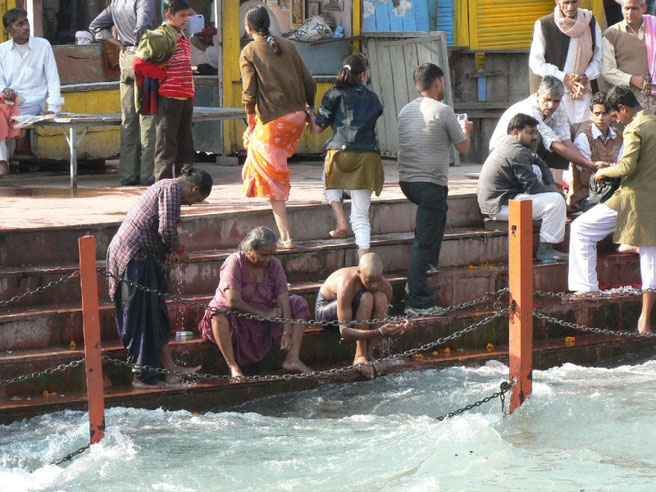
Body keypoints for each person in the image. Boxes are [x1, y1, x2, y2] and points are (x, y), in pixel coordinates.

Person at [106, 166, 213, 387]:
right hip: (134, 258)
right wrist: (178, 250)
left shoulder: (167, 187)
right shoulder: (172, 189)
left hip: (144, 258)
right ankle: (142, 377)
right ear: (195, 188)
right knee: (142, 317)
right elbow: (166, 229)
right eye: (195, 199)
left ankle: (169, 368)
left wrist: (169, 251)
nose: (191, 204)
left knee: (156, 315)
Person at [568, 86, 656, 334]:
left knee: (581, 228)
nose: (616, 120)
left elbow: (627, 166)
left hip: (631, 198)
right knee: (650, 258)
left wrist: (603, 172)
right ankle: (644, 322)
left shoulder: (635, 128)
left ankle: (587, 288)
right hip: (653, 201)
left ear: (623, 109)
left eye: (616, 115)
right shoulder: (653, 122)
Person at [396, 63, 472, 315]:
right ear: (438, 81)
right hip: (429, 184)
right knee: (423, 239)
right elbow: (463, 148)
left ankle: (429, 262)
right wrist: (465, 131)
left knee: (439, 211)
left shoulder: (406, 110)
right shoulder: (444, 110)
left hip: (408, 182)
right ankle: (416, 301)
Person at [240, 5, 316, 249]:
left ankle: (286, 237)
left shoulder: (249, 51)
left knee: (274, 179)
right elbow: (310, 83)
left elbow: (249, 94)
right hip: (296, 118)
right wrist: (309, 111)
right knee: (258, 152)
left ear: (248, 28)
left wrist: (250, 120)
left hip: (275, 120)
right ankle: (262, 190)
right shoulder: (289, 45)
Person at [198, 226, 311, 379]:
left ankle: (292, 358)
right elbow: (232, 301)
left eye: (272, 254)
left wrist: (286, 332)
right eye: (263, 255)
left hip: (264, 322)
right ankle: (233, 366)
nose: (268, 259)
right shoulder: (234, 262)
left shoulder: (274, 265)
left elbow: (283, 299)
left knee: (298, 303)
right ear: (249, 249)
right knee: (217, 311)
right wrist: (263, 314)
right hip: (237, 319)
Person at [311, 54, 384, 259]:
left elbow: (317, 128)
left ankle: (341, 221)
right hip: (368, 157)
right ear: (363, 75)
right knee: (361, 217)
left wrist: (308, 114)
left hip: (340, 153)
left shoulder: (333, 94)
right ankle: (365, 266)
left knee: (328, 182)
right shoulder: (372, 97)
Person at [478, 113, 569, 262]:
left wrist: (551, 183)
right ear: (516, 132)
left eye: (535, 132)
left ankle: (546, 221)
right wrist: (555, 192)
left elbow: (538, 160)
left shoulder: (509, 144)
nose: (534, 137)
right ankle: (546, 251)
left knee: (537, 170)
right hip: (500, 206)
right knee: (556, 201)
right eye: (530, 132)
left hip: (503, 201)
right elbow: (533, 188)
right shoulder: (516, 152)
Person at [490, 76, 609, 186]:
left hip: (530, 153)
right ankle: (529, 180)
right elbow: (554, 144)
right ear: (538, 95)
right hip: (502, 153)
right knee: (537, 138)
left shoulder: (560, 106)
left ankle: (554, 184)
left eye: (556, 101)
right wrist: (589, 164)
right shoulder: (530, 110)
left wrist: (588, 164)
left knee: (567, 136)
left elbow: (566, 141)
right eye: (547, 99)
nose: (551, 105)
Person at [90, 0, 158, 186]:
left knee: (128, 120)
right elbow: (143, 26)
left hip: (126, 60)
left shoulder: (116, 3)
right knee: (147, 118)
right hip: (144, 58)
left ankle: (128, 175)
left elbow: (95, 27)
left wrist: (119, 45)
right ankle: (147, 175)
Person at [314, 253, 410, 378]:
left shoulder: (385, 286)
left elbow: (382, 318)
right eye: (370, 282)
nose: (374, 285)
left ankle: (369, 354)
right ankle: (360, 354)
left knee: (380, 297)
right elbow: (344, 331)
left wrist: (401, 327)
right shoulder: (347, 284)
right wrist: (379, 332)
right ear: (359, 273)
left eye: (378, 280)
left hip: (357, 311)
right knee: (366, 297)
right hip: (326, 311)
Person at [0, 8, 64, 179]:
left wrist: (53, 107)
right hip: (10, 102)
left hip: (34, 103)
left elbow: (53, 78)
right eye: (19, 24)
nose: (26, 27)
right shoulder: (2, 50)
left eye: (26, 22)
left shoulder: (43, 45)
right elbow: (0, 81)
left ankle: (2, 162)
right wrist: (4, 90)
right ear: (9, 29)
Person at [529, 0, 602, 134]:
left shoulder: (590, 21)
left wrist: (585, 77)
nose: (570, 7)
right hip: (557, 96)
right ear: (557, 1)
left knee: (587, 140)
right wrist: (564, 78)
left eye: (574, 2)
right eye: (566, 2)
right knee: (559, 139)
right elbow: (536, 63)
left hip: (585, 93)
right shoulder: (545, 24)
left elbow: (599, 58)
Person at [150, 0, 196, 181]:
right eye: (182, 15)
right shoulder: (160, 37)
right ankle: (163, 190)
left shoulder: (183, 38)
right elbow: (142, 65)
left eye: (187, 15)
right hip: (168, 98)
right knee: (166, 147)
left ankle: (185, 189)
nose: (186, 19)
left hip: (185, 97)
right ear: (169, 16)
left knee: (186, 147)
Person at [570, 92, 624, 212]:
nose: (601, 118)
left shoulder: (621, 136)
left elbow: (624, 166)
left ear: (612, 114)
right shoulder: (584, 137)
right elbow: (585, 176)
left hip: (616, 191)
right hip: (587, 195)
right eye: (597, 113)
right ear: (591, 115)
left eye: (605, 113)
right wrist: (613, 170)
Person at [602, 0, 656, 113]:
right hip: (628, 100)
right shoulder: (611, 34)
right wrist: (632, 80)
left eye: (634, 8)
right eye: (626, 8)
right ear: (621, 9)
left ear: (644, 8)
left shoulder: (653, 26)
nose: (630, 13)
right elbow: (606, 70)